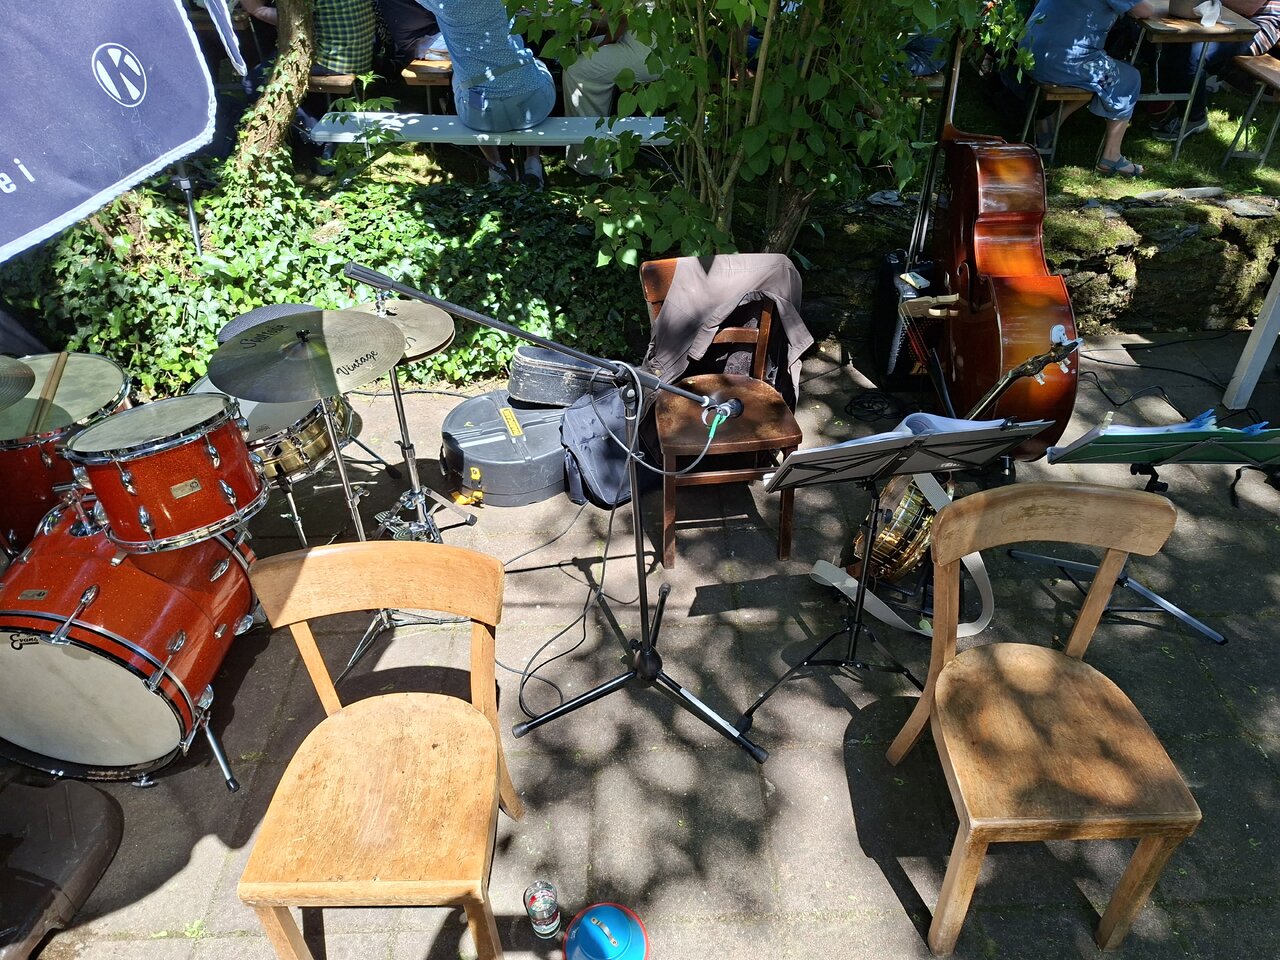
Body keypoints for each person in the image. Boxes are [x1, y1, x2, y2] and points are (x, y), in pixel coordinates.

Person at [415, 0, 556, 188]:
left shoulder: (443, 3)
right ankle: (532, 161)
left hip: (480, 114)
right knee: (537, 66)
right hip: (532, 104)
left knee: (463, 80)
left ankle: (495, 167)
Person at [1021, 0, 1155, 177]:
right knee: (1128, 78)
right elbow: (1143, 11)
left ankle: (1049, 124)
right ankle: (1111, 157)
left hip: (1029, 53)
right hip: (1062, 62)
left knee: (1097, 79)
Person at [1149, 0, 1280, 141]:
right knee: (1172, 38)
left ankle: (1194, 118)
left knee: (1196, 53)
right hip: (1227, 19)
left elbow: (1248, 7)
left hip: (1257, 29)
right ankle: (1170, 98)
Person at [561, 2, 661, 177]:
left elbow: (620, 19)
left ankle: (591, 162)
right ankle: (590, 149)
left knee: (576, 70)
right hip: (659, 46)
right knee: (590, 47)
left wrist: (604, 44)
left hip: (647, 54)